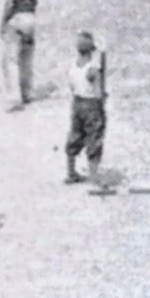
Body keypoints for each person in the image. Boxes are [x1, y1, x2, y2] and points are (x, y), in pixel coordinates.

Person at [64, 32, 109, 185]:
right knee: (94, 138)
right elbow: (98, 86)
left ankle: (70, 172)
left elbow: (72, 87)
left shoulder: (72, 67)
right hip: (92, 106)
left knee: (75, 136)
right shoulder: (92, 69)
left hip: (77, 103)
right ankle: (94, 177)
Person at [2, 0, 39, 106]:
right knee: (27, 58)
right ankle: (27, 92)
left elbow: (10, 2)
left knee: (11, 60)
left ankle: (14, 97)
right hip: (30, 17)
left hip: (17, 18)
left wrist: (3, 21)